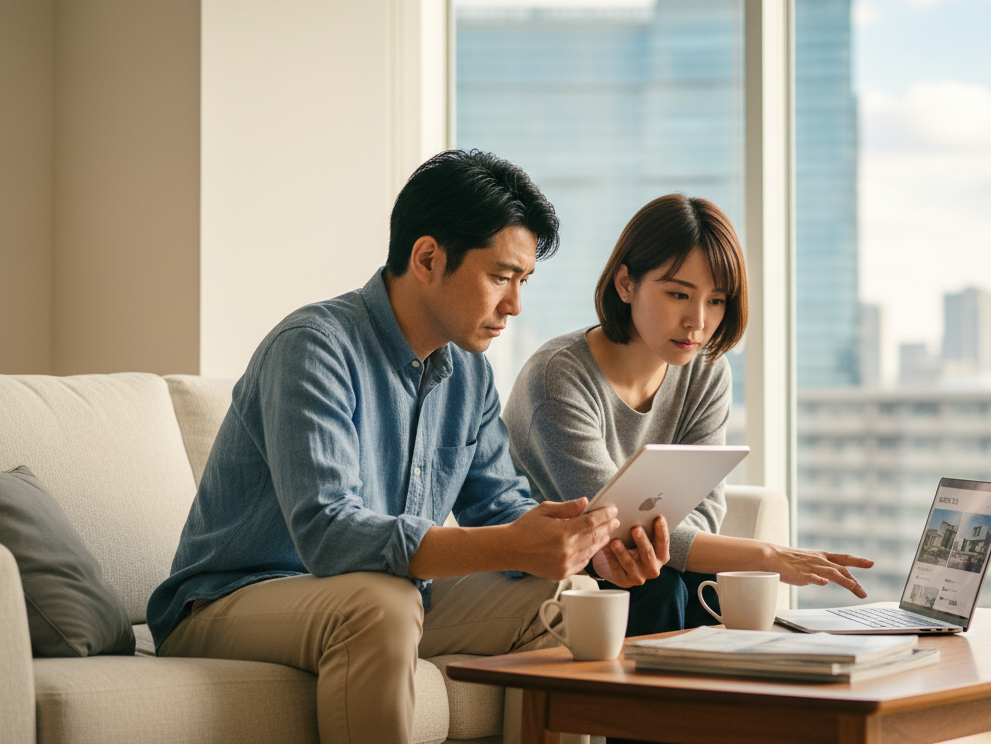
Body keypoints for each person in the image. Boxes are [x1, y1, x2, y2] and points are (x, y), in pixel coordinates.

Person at [146, 150, 621, 744]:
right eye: (501, 277)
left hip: (380, 594)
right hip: (229, 599)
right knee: (381, 602)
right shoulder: (313, 347)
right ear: (427, 258)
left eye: (523, 281)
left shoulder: (469, 374)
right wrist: (509, 543)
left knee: (568, 598)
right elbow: (329, 533)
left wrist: (585, 547)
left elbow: (501, 510)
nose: (514, 305)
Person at [504, 194, 873, 640]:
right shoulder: (558, 377)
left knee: (703, 581)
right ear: (626, 284)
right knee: (660, 588)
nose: (697, 321)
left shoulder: (707, 372)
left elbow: (704, 509)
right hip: (555, 569)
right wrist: (769, 555)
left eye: (716, 300)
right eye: (678, 294)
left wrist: (694, 553)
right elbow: (614, 526)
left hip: (643, 569)